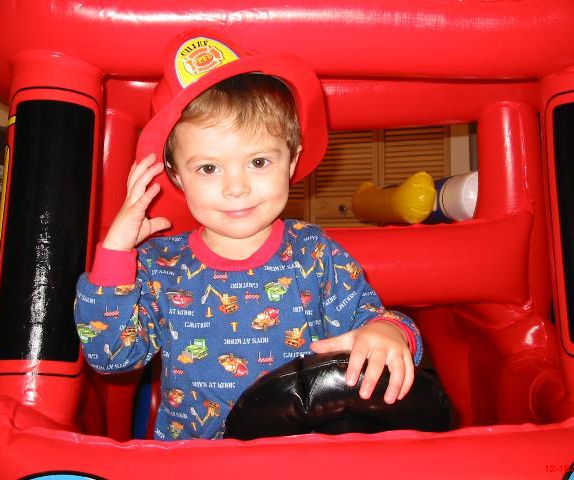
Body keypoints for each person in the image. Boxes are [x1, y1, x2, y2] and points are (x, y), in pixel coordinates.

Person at [74, 33, 422, 441]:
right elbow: (110, 356)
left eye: (258, 162)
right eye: (208, 168)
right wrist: (116, 253)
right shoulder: (159, 265)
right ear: (176, 175)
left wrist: (389, 333)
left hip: (300, 456)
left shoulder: (313, 253)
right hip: (195, 462)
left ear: (290, 161)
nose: (236, 188)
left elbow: (373, 319)